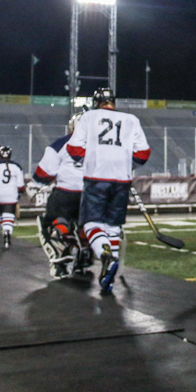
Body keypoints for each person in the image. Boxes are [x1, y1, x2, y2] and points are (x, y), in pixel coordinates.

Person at [67, 88, 151, 293]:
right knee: (113, 227)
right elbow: (143, 153)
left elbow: (74, 149)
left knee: (91, 224)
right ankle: (107, 279)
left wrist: (91, 159)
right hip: (122, 180)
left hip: (96, 178)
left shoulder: (88, 117)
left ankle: (105, 256)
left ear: (96, 102)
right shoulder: (131, 119)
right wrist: (124, 164)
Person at [34, 111, 88, 278]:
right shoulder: (100, 145)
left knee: (50, 222)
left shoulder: (61, 144)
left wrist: (35, 184)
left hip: (66, 192)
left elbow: (44, 173)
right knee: (88, 226)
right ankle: (84, 253)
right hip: (91, 194)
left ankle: (60, 256)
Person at [0, 146, 24, 248]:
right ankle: (7, 234)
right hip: (11, 196)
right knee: (8, 217)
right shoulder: (17, 167)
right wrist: (19, 193)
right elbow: (20, 185)